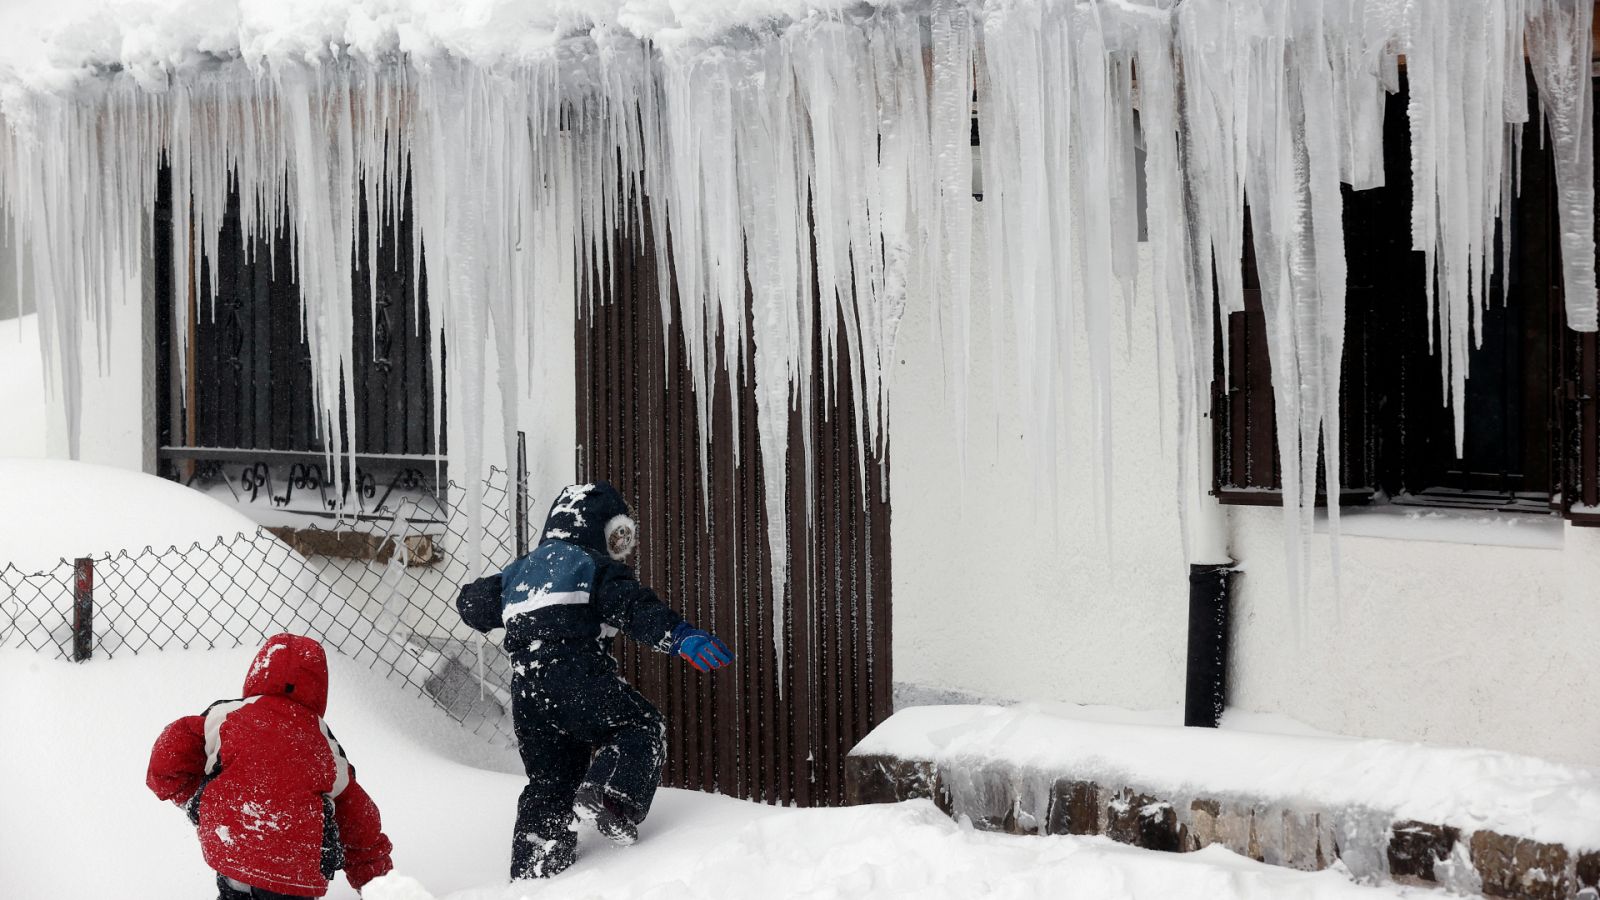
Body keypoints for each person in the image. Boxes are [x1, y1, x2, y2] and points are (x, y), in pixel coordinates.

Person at [456, 480, 734, 880]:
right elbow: (633, 607)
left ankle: (534, 868)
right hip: (576, 672)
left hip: (528, 689)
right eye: (617, 536)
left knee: (551, 779)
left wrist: (479, 597)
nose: (619, 546)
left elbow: (473, 605)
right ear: (599, 530)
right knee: (641, 725)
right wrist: (678, 635)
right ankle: (610, 796)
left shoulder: (517, 572)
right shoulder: (591, 565)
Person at [146, 632, 394, 898]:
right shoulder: (325, 745)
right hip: (296, 873)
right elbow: (360, 823)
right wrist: (377, 885)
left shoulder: (227, 715)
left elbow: (167, 754)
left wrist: (197, 800)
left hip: (232, 848)